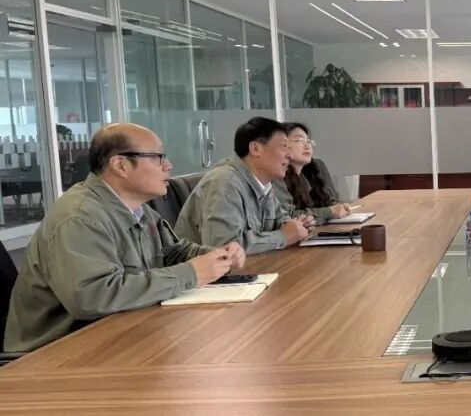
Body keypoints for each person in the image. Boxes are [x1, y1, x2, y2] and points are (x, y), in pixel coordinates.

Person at [5, 124, 245, 352]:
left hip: (118, 333)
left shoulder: (139, 210)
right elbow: (93, 297)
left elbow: (173, 252)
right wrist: (191, 273)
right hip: (57, 354)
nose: (168, 165)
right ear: (120, 165)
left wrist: (216, 256)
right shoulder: (78, 217)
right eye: (158, 157)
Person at [175, 117, 312, 254]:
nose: (289, 155)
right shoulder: (224, 182)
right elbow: (224, 247)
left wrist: (297, 226)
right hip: (206, 267)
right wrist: (283, 237)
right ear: (255, 149)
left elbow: (281, 221)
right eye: (283, 146)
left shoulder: (264, 185)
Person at [273, 122, 355, 224]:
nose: (307, 145)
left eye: (308, 141)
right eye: (298, 140)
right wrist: (330, 212)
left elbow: (321, 206)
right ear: (283, 145)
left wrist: (337, 207)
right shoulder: (275, 177)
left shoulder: (305, 177)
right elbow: (289, 217)